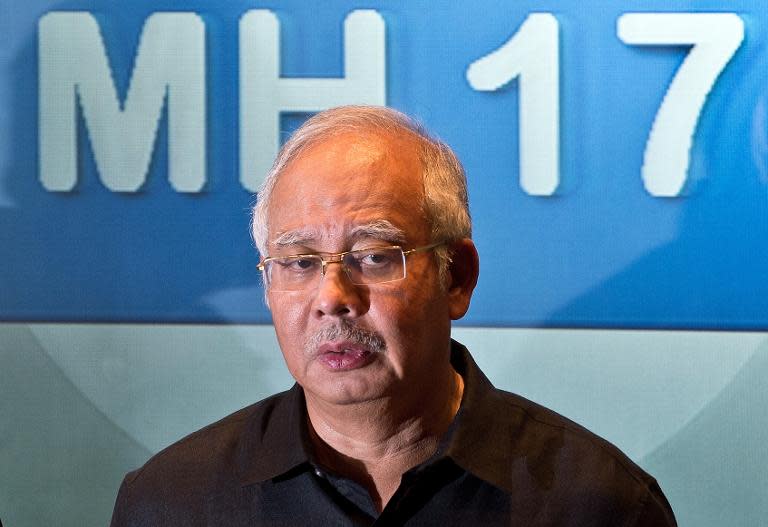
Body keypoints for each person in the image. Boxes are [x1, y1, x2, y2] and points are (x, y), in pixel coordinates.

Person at [109, 106, 677, 526]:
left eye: (375, 256)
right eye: (300, 261)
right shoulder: (171, 503)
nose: (333, 296)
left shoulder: (602, 505)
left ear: (456, 276)